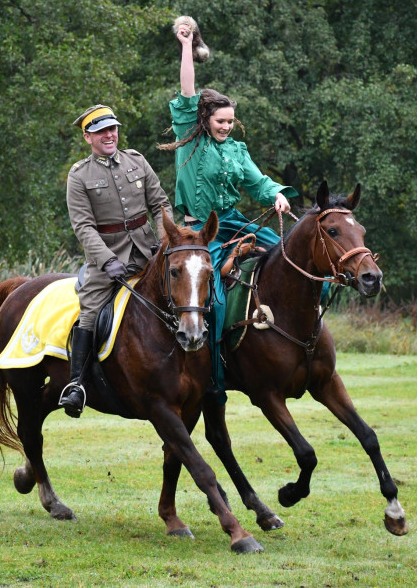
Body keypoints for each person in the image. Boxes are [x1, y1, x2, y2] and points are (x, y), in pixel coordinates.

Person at [159, 21, 299, 398]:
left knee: (284, 257)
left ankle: (289, 342)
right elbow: (188, 89)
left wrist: (277, 195)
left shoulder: (237, 150)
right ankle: (213, 373)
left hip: (235, 223)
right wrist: (186, 45)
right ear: (204, 119)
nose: (226, 127)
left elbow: (258, 182)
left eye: (230, 122)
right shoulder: (190, 139)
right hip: (200, 232)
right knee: (215, 298)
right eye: (220, 122)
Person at [62, 104, 172, 417]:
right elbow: (83, 227)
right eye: (100, 131)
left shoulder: (137, 160)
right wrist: (107, 260)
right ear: (88, 137)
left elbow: (160, 205)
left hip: (150, 251)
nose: (109, 135)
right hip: (106, 261)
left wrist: (166, 242)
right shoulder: (79, 175)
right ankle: (76, 384)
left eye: (112, 129)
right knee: (91, 310)